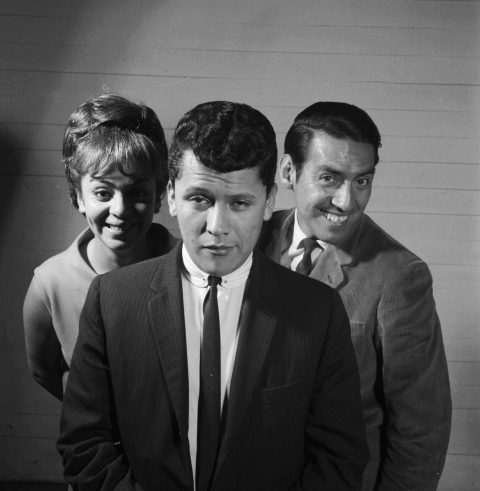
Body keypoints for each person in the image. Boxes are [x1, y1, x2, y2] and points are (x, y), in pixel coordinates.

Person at [57, 100, 369, 490]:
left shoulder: (317, 311)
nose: (217, 227)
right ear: (172, 196)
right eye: (200, 199)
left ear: (269, 201)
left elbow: (339, 457)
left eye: (239, 203)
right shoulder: (111, 301)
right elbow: (84, 445)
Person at [258, 101, 452, 490]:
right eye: (329, 178)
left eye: (362, 181)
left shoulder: (401, 277)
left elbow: (421, 428)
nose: (347, 201)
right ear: (288, 171)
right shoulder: (250, 239)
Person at [23, 93, 177, 400]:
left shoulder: (191, 267)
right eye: (103, 193)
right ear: (78, 196)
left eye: (137, 193)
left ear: (159, 194)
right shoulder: (50, 283)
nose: (120, 210)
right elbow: (43, 371)